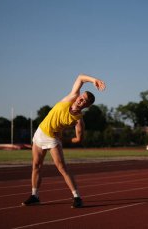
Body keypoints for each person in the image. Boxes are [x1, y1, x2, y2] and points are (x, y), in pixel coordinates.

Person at [22, 74, 106, 208]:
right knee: (36, 166)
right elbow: (80, 78)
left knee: (62, 168)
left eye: (84, 101)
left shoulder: (79, 120)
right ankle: (34, 196)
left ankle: (77, 197)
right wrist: (94, 80)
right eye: (81, 97)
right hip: (40, 133)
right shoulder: (71, 97)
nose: (80, 100)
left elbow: (79, 139)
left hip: (53, 139)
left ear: (87, 105)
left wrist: (63, 139)